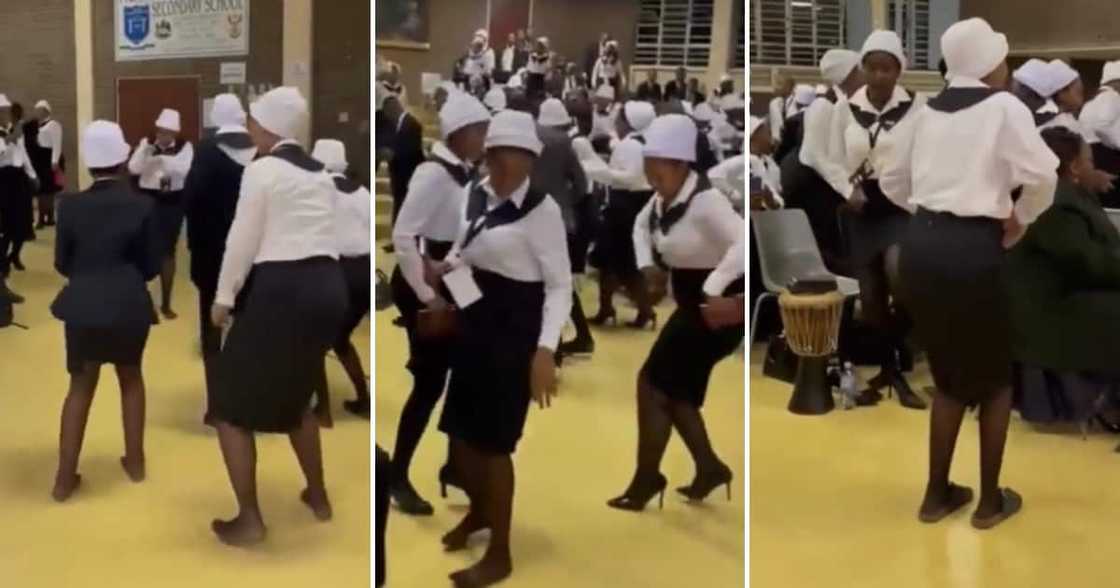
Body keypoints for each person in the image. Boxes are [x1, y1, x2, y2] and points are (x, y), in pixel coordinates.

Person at [880, 17, 1058, 529]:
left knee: (949, 376)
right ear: (989, 62)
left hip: (920, 247)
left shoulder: (922, 111)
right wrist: (1019, 218)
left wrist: (931, 213)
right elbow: (1043, 175)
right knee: (996, 380)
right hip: (973, 249)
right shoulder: (1004, 107)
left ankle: (936, 495)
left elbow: (893, 179)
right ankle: (988, 502)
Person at [429, 110, 571, 587]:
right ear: (487, 155)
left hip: (515, 329)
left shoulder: (542, 212)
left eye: (519, 156)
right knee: (461, 436)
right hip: (476, 319)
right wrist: (445, 272)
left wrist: (546, 351)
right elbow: (468, 251)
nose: (508, 165)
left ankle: (501, 552)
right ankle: (480, 513)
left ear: (531, 160)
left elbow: (559, 287)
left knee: (493, 445)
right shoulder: (477, 193)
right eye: (500, 155)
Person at [207, 87, 347, 546]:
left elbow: (242, 239)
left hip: (283, 289)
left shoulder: (263, 170)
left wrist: (223, 297)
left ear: (268, 127)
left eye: (253, 121)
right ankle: (318, 495)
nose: (248, 128)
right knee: (298, 394)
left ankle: (249, 519)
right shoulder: (321, 173)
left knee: (228, 408)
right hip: (329, 287)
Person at [608, 114, 743, 511]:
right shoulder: (663, 199)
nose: (651, 175)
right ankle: (708, 467)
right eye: (647, 166)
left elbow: (742, 247)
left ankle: (647, 479)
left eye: (658, 167)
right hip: (691, 306)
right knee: (674, 391)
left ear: (682, 164)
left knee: (651, 383)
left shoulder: (706, 202)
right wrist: (647, 263)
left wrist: (714, 286)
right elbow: (638, 226)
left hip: (716, 311)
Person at [388, 92, 490, 516]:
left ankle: (454, 466)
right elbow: (402, 237)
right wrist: (430, 297)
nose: (487, 138)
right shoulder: (434, 173)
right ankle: (396, 476)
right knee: (429, 384)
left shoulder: (466, 173)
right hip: (424, 282)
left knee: (470, 368)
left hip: (455, 272)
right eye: (482, 131)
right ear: (462, 133)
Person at [49, 120, 161, 502]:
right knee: (131, 378)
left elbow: (62, 263)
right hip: (129, 303)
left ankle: (64, 478)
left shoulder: (71, 206)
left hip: (82, 306)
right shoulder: (142, 205)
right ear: (122, 156)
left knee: (80, 386)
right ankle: (135, 461)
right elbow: (150, 266)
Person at [835, 30, 926, 409]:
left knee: (899, 273)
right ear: (864, 69)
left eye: (887, 69)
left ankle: (904, 349)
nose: (879, 76)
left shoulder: (919, 107)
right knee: (871, 297)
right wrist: (845, 189)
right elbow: (828, 157)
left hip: (900, 206)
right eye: (872, 68)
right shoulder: (846, 108)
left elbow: (925, 155)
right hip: (861, 208)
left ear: (899, 70)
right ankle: (891, 369)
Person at [1006, 127, 1120, 423]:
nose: (1093, 167)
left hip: (1072, 291)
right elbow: (1088, 263)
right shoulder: (1054, 204)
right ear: (1073, 166)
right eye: (1089, 161)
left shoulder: (1069, 194)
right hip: (1051, 310)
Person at [183, 94, 257, 426]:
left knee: (212, 330)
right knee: (250, 327)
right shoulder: (261, 151)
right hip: (256, 255)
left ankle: (216, 408)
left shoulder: (206, 152)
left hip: (212, 255)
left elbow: (192, 202)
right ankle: (249, 401)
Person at [575, 101, 659, 329]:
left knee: (623, 264)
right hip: (637, 204)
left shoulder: (630, 146)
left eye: (620, 119)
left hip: (624, 207)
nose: (617, 123)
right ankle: (606, 308)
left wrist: (596, 171)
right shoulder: (646, 142)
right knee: (607, 261)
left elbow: (627, 178)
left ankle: (645, 311)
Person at [785, 48, 864, 275]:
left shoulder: (844, 104)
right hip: (809, 187)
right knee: (823, 255)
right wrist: (847, 188)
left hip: (824, 186)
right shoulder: (824, 106)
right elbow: (816, 156)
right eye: (861, 69)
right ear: (849, 73)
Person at [313, 139, 372, 419]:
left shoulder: (317, 190)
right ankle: (364, 399)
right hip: (363, 273)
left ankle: (323, 410)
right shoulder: (363, 193)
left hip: (335, 272)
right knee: (341, 338)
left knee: (312, 341)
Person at [534, 98, 593, 357]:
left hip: (530, 219)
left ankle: (553, 345)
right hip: (561, 221)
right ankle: (557, 345)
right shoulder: (564, 143)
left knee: (540, 285)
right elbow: (581, 184)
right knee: (559, 283)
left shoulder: (528, 139)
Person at [127, 108, 194, 321]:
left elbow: (183, 170)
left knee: (168, 252)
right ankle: (143, 303)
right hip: (147, 200)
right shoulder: (147, 144)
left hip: (172, 203)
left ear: (174, 133)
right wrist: (146, 152)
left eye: (167, 132)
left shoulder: (186, 147)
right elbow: (134, 169)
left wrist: (162, 160)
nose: (162, 136)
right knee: (143, 249)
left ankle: (166, 303)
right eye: (160, 131)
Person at [0, 94, 36, 303]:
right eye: (2, 111)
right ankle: (3, 265)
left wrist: (32, 175)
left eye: (6, 111)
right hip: (2, 180)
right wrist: (7, 141)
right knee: (5, 225)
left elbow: (23, 154)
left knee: (22, 221)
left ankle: (14, 255)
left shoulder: (15, 130)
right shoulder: (8, 135)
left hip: (18, 178)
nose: (5, 115)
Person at [1080, 60, 1120, 207]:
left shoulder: (1091, 102)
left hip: (1092, 154)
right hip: (1107, 155)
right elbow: (1101, 126)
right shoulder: (1112, 96)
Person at [383, 95, 425, 228]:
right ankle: (396, 236)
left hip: (408, 175)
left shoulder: (412, 124)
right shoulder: (399, 125)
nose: (387, 117)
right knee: (399, 206)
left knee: (405, 208)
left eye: (386, 113)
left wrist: (392, 155)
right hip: (400, 176)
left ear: (393, 108)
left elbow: (410, 151)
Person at [33, 99, 63, 229]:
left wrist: (55, 161)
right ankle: (49, 217)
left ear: (46, 111)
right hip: (40, 159)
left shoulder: (53, 125)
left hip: (49, 159)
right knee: (44, 190)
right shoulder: (39, 125)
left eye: (39, 110)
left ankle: (41, 219)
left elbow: (57, 143)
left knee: (46, 191)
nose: (37, 113)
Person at [458, 29, 495, 96]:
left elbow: (489, 72)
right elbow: (464, 68)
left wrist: (481, 74)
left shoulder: (489, 52)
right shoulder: (469, 53)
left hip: (481, 84)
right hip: (468, 82)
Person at [768, 74, 796, 142]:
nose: (777, 88)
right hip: (777, 140)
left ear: (789, 87)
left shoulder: (795, 102)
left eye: (780, 85)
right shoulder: (775, 102)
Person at [525, 37, 553, 101]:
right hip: (532, 79)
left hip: (540, 80)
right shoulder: (532, 55)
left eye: (541, 46)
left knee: (538, 98)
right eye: (539, 45)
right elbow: (529, 68)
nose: (539, 47)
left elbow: (548, 70)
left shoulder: (547, 57)